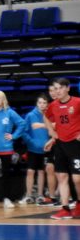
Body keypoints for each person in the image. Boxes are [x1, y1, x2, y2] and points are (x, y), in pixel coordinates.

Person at [45, 78, 80, 220]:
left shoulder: (77, 102)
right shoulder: (53, 105)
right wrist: (52, 134)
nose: (57, 91)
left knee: (77, 179)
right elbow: (46, 117)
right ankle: (65, 209)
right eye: (55, 88)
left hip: (75, 144)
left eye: (59, 88)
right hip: (60, 144)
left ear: (67, 88)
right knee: (62, 176)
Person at [22, 94, 52, 205]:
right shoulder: (30, 115)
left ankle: (40, 195)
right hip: (32, 149)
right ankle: (28, 195)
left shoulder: (50, 115)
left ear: (47, 104)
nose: (42, 105)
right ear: (36, 104)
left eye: (44, 103)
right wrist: (31, 142)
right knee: (30, 171)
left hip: (45, 149)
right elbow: (24, 132)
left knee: (41, 172)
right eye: (40, 102)